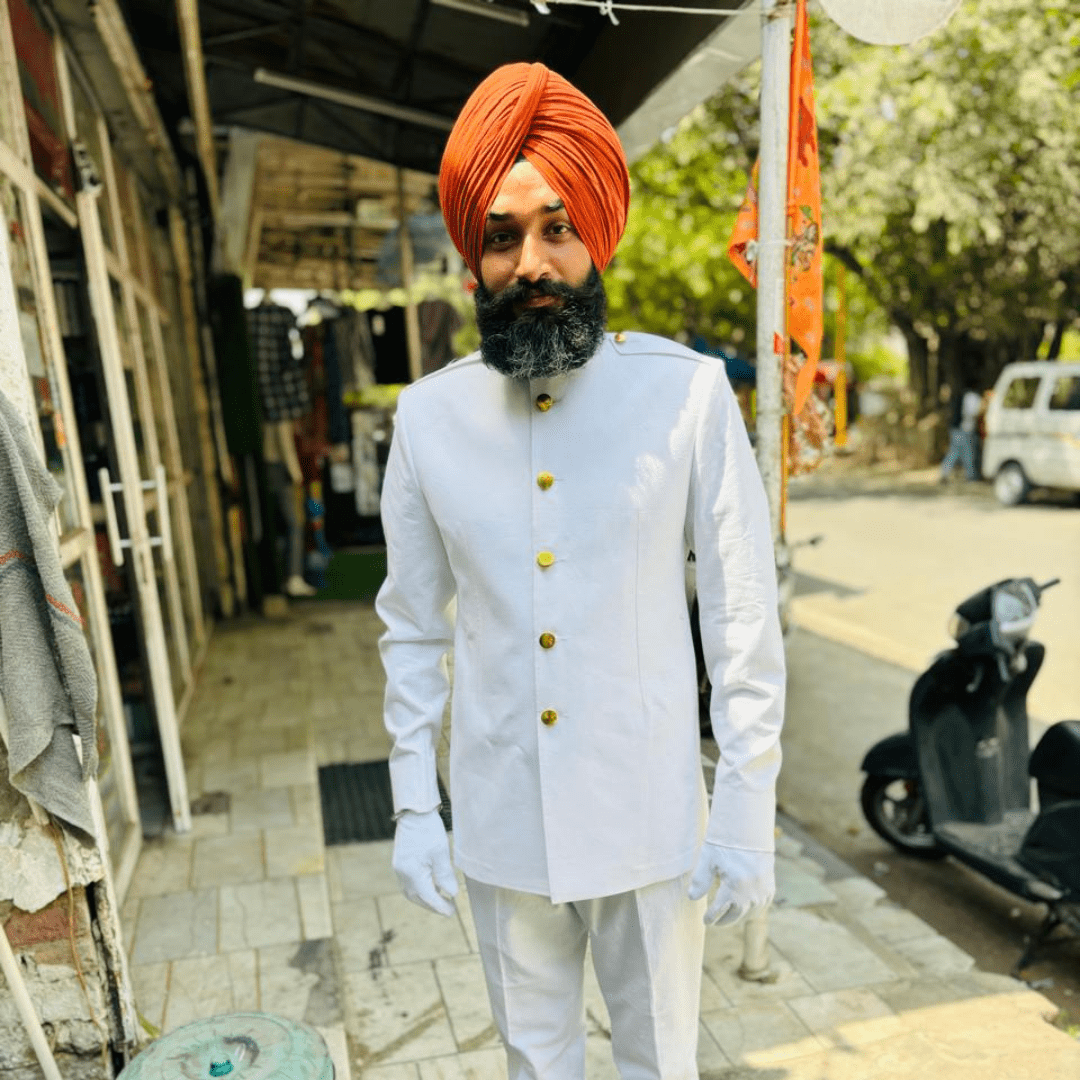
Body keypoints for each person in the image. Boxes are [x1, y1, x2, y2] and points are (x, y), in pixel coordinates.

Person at [376, 62, 785, 1080]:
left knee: (659, 1063)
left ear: (597, 234)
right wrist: (414, 803)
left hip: (648, 817)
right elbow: (413, 626)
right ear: (473, 256)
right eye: (503, 237)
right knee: (534, 1062)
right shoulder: (427, 418)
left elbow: (741, 618)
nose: (532, 263)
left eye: (557, 228)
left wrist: (746, 811)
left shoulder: (688, 397)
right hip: (500, 818)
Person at [940, 382, 983, 482]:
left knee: (956, 452)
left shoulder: (962, 396)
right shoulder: (972, 397)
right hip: (964, 429)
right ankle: (971, 475)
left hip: (957, 428)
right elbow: (972, 413)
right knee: (966, 453)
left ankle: (945, 472)